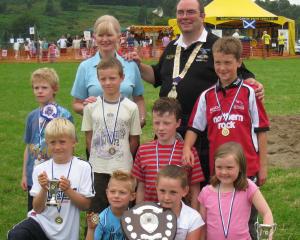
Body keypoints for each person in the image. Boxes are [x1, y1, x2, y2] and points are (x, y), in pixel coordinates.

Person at [126, 0, 262, 184]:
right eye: (180, 12)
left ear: (202, 16)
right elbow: (157, 77)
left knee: (201, 181)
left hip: (202, 131)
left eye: (190, 12)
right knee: (172, 180)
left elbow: (241, 74)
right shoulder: (172, 46)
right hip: (170, 127)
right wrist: (138, 65)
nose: (184, 17)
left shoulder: (216, 44)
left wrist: (253, 83)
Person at [183, 36, 270, 239]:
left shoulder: (250, 93)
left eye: (228, 62)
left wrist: (263, 166)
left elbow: (262, 130)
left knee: (247, 220)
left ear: (239, 62)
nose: (222, 68)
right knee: (220, 219)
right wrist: (187, 147)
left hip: (247, 168)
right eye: (218, 62)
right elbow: (194, 128)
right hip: (219, 170)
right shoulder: (207, 96)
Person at [8, 118, 95, 240]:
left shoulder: (83, 167)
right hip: (41, 225)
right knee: (17, 235)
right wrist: (44, 189)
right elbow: (37, 209)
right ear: (47, 143)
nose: (57, 147)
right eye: (53, 142)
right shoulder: (40, 169)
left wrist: (68, 190)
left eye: (62, 142)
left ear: (74, 141)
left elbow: (85, 206)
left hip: (66, 232)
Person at [82, 57, 142, 214]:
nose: (108, 82)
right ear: (98, 79)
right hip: (98, 168)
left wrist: (123, 156)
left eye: (112, 78)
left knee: (122, 212)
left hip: (122, 168)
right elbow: (88, 138)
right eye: (103, 78)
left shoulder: (131, 107)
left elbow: (134, 140)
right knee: (95, 213)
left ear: (122, 77)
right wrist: (96, 155)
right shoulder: (91, 107)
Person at [71, 15, 146, 128]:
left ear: (119, 37)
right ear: (95, 37)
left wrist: (141, 119)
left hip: (127, 133)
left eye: (109, 35)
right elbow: (76, 104)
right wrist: (89, 109)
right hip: (97, 134)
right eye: (101, 35)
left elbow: (139, 99)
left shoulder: (131, 64)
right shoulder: (85, 67)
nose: (105, 39)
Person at [132, 97, 204, 210]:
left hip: (179, 214)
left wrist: (195, 217)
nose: (161, 128)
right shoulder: (143, 150)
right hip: (149, 214)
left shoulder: (188, 152)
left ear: (178, 123)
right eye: (157, 123)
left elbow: (195, 189)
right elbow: (141, 187)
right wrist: (138, 213)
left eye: (166, 123)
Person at [21, 68, 73, 212]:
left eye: (44, 87)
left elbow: (70, 147)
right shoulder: (31, 117)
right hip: (34, 175)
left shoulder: (64, 115)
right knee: (34, 213)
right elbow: (28, 145)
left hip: (55, 174)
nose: (40, 91)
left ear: (54, 89)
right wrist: (25, 174)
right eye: (36, 88)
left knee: (53, 213)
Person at [198, 142, 274, 240]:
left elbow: (266, 212)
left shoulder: (248, 187)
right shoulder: (206, 192)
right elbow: (202, 224)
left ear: (240, 168)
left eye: (229, 167)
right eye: (219, 167)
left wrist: (267, 235)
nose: (224, 172)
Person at [156, 165, 205, 240]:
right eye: (162, 191)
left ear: (185, 191)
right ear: (156, 187)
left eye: (173, 192)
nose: (166, 197)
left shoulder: (194, 218)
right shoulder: (146, 213)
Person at [86, 170, 136, 240]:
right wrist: (91, 229)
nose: (116, 196)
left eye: (122, 192)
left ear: (132, 196)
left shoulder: (135, 219)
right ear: (107, 193)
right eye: (112, 191)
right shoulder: (101, 219)